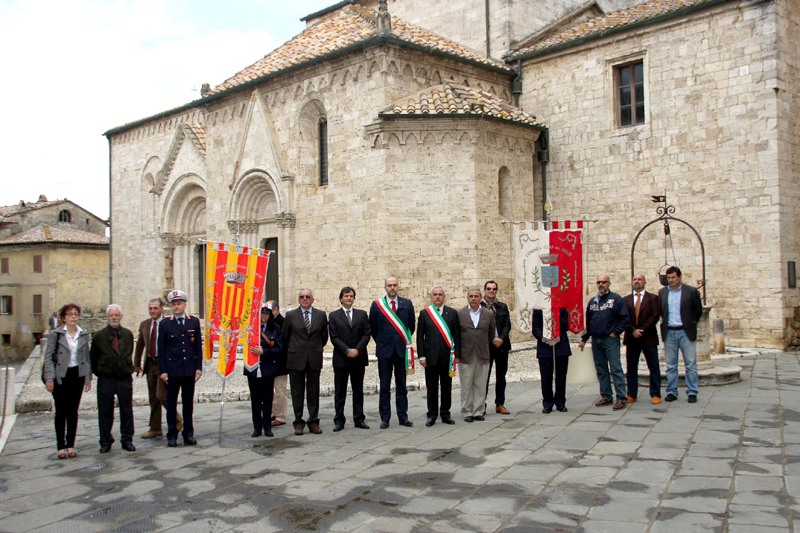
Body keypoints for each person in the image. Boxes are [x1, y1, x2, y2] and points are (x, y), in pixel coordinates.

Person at [43, 303, 92, 459]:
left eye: (76, 314)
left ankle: (70, 444)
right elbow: (48, 357)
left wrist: (87, 378)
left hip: (76, 374)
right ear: (63, 318)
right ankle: (60, 446)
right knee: (61, 411)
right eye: (70, 314)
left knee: (73, 411)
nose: (73, 317)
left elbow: (86, 358)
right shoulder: (55, 334)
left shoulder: (83, 334)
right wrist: (49, 378)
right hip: (60, 376)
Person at [158, 290, 203, 447]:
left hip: (189, 369)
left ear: (185, 304)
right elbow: (161, 349)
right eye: (174, 304)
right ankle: (172, 434)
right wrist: (162, 371)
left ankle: (188, 433)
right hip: (173, 370)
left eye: (179, 304)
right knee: (171, 404)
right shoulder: (165, 324)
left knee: (188, 404)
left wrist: (198, 367)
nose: (176, 307)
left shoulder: (193, 322)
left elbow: (197, 346)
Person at [369, 277, 416, 429]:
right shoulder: (377, 305)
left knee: (402, 385)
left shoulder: (406, 304)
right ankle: (385, 418)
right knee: (384, 386)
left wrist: (400, 341)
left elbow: (411, 326)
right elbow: (373, 328)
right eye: (389, 285)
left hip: (401, 351)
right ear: (385, 287)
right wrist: (383, 342)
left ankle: (403, 416)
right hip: (384, 351)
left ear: (398, 287)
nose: (392, 288)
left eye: (395, 285)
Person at [579, 275, 631, 410]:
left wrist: (615, 332)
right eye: (599, 282)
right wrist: (584, 339)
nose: (601, 284)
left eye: (604, 282)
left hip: (610, 339)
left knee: (615, 368)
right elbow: (589, 322)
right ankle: (606, 395)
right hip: (596, 340)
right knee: (601, 369)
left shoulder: (616, 299)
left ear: (609, 283)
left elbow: (625, 319)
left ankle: (621, 397)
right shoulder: (593, 302)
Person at [282, 288, 328, 435]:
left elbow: (324, 337)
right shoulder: (290, 316)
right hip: (296, 359)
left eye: (308, 296)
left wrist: (315, 348)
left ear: (313, 299)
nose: (305, 299)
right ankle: (298, 422)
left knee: (313, 391)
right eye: (302, 296)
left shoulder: (320, 315)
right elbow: (285, 337)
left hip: (314, 358)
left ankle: (313, 422)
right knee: (297, 392)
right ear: (298, 299)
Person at [90, 304, 136, 453]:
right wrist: (103, 372)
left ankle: (127, 440)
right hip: (106, 378)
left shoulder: (128, 334)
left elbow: (129, 352)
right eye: (111, 315)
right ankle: (105, 441)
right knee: (105, 411)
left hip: (124, 378)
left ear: (121, 317)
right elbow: (93, 359)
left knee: (127, 410)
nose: (114, 318)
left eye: (116, 315)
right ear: (107, 317)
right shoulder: (99, 336)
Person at [134, 298, 182, 439]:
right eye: (150, 308)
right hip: (150, 364)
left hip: (164, 364)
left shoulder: (168, 323)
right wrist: (137, 365)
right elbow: (140, 346)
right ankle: (155, 427)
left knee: (161, 395)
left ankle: (176, 418)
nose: (152, 311)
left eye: (155, 308)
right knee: (152, 398)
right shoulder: (144, 325)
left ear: (161, 309)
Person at [328, 287, 371, 431]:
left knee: (358, 390)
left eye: (351, 296)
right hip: (342, 358)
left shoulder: (362, 314)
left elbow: (366, 334)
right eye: (346, 296)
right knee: (340, 391)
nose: (349, 298)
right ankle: (339, 420)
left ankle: (359, 419)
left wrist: (357, 350)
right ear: (341, 298)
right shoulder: (334, 316)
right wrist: (347, 350)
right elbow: (334, 337)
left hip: (358, 358)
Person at [659, 266, 704, 403]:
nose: (671, 280)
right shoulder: (662, 292)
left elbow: (698, 311)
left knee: (690, 364)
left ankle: (692, 391)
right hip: (670, 332)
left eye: (673, 277)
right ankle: (672, 391)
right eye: (669, 278)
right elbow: (661, 310)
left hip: (685, 331)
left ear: (679, 277)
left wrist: (690, 323)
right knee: (671, 365)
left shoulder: (690, 291)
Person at [417, 285, 460, 427]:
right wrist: (421, 356)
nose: (437, 297)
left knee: (447, 387)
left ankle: (445, 414)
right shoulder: (425, 313)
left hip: (447, 357)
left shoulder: (452, 313)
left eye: (440, 294)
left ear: (444, 296)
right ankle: (432, 414)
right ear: (431, 296)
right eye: (435, 294)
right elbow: (419, 337)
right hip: (430, 358)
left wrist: (457, 355)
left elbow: (457, 335)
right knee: (432, 387)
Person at [457, 288, 496, 422]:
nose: (473, 299)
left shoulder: (488, 314)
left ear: (480, 298)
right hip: (465, 354)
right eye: (471, 296)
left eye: (476, 296)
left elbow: (491, 334)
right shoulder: (460, 314)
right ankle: (467, 411)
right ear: (467, 298)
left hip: (482, 353)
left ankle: (478, 410)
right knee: (466, 384)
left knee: (480, 384)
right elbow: (457, 334)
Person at [623, 274, 662, 405]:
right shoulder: (626, 300)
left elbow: (655, 316)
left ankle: (655, 394)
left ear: (645, 282)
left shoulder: (653, 299)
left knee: (654, 366)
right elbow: (624, 317)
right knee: (631, 367)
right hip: (632, 338)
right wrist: (633, 330)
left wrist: (641, 330)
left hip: (648, 337)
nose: (637, 281)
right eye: (634, 279)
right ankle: (631, 393)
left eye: (639, 279)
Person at [246, 304, 283, 437]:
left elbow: (279, 349)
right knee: (255, 399)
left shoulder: (275, 330)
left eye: (266, 314)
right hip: (253, 368)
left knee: (268, 399)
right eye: (261, 314)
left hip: (268, 367)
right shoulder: (250, 329)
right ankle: (257, 427)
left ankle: (267, 426)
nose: (263, 317)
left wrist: (264, 352)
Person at [532, 308, 571, 413]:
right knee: (546, 376)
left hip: (561, 346)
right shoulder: (538, 309)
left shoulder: (563, 308)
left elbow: (567, 325)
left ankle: (560, 402)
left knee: (561, 376)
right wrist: (546, 339)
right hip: (545, 347)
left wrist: (556, 317)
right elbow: (535, 328)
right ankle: (547, 402)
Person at [481, 281, 512, 415]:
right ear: (485, 290)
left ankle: (500, 403)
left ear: (497, 291)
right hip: (486, 347)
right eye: (489, 289)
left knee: (501, 376)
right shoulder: (480, 307)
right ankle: (482, 405)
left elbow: (507, 324)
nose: (491, 291)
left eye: (494, 289)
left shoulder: (502, 307)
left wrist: (502, 338)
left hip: (501, 345)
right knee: (484, 377)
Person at [269, 301, 288, 428]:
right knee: (271, 390)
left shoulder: (283, 322)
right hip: (270, 360)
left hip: (281, 360)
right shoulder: (268, 323)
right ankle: (273, 412)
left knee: (280, 389)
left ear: (276, 310)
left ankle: (281, 416)